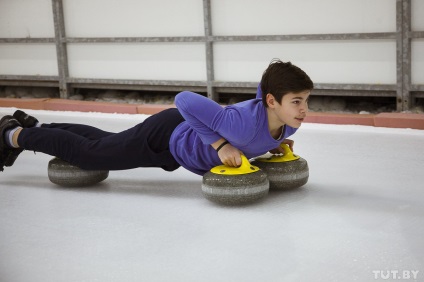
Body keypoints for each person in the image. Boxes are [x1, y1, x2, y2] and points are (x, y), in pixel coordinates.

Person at [0, 59, 313, 175]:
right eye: (296, 101)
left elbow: (263, 90)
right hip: (166, 135)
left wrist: (267, 144)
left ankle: (39, 127)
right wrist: (220, 146)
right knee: (92, 154)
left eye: (306, 101)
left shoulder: (285, 125)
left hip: (175, 143)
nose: (303, 110)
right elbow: (184, 100)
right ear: (272, 101)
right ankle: (12, 135)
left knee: (104, 142)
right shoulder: (239, 124)